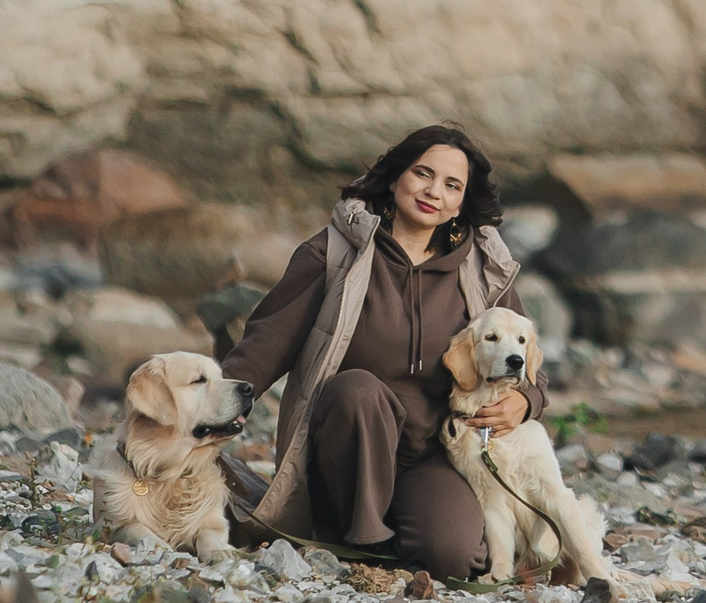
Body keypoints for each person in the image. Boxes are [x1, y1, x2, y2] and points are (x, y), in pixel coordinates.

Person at [223, 124, 547, 577]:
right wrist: (208, 407)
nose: (434, 191)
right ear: (396, 178)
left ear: (461, 202)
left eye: (452, 185)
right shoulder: (335, 252)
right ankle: (359, 539)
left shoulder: (482, 269)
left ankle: (398, 537)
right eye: (422, 173)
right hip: (346, 448)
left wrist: (525, 400)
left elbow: (527, 357)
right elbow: (266, 341)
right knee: (359, 389)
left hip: (436, 453)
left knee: (453, 558)